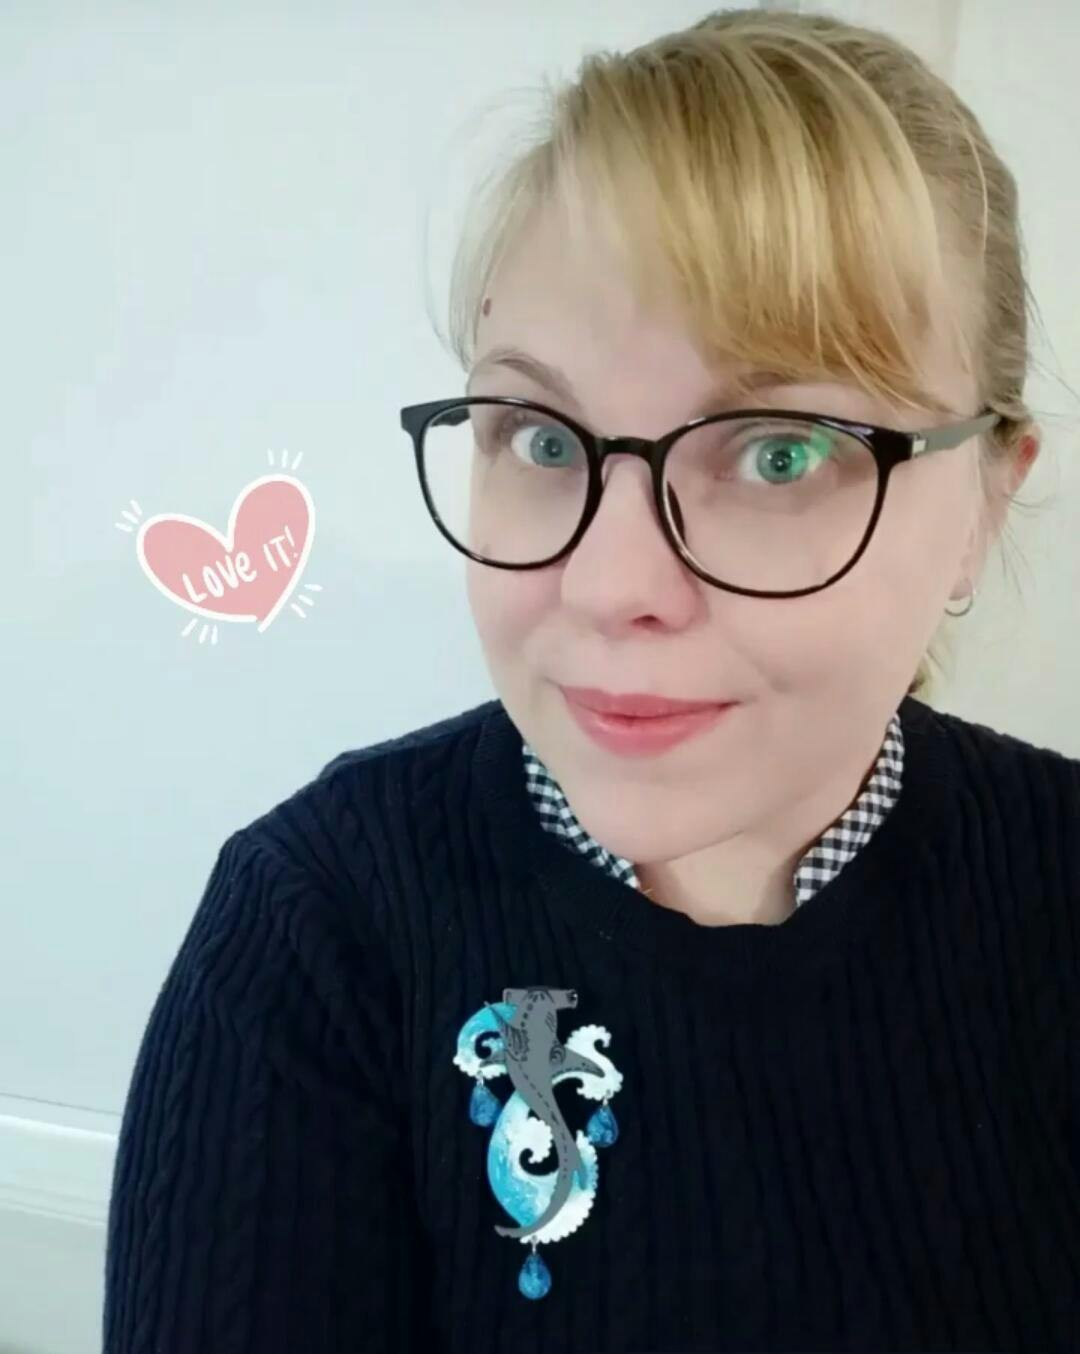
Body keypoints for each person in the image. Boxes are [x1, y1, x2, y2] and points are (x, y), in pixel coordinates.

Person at [103, 7, 1080, 1352]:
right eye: (541, 437)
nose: (612, 583)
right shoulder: (319, 939)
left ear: (985, 500)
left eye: (780, 451)